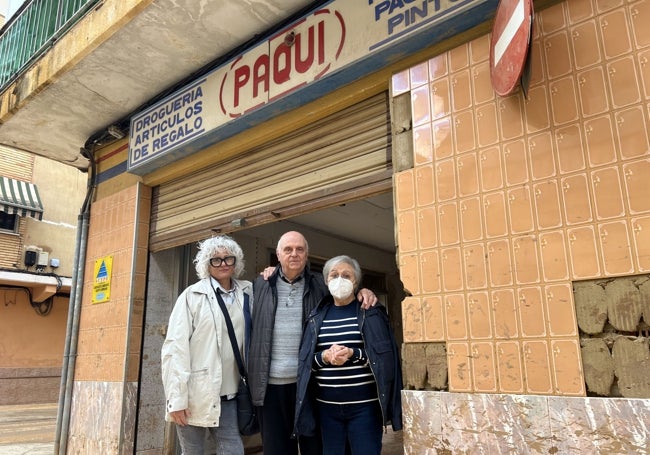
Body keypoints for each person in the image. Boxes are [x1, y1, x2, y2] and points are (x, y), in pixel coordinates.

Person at [248, 231, 377, 455]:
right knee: (277, 450)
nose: (294, 254)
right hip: (269, 387)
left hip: (308, 385)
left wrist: (363, 291)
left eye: (300, 249)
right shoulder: (259, 286)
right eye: (288, 249)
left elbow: (344, 294)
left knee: (315, 448)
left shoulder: (321, 285)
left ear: (307, 254)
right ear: (278, 254)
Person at [294, 255, 402, 455]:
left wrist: (354, 354)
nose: (339, 279)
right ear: (326, 281)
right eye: (334, 275)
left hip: (365, 409)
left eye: (346, 275)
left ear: (356, 281)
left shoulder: (370, 312)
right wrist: (325, 356)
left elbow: (386, 361)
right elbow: (306, 362)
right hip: (327, 410)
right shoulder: (316, 317)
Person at [161, 235, 253, 455]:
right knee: (192, 452)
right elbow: (175, 348)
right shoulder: (191, 296)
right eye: (216, 260)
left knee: (233, 450)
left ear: (236, 261)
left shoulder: (248, 292)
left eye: (228, 258)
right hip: (194, 394)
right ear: (206, 264)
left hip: (230, 396)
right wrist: (176, 400)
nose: (223, 264)